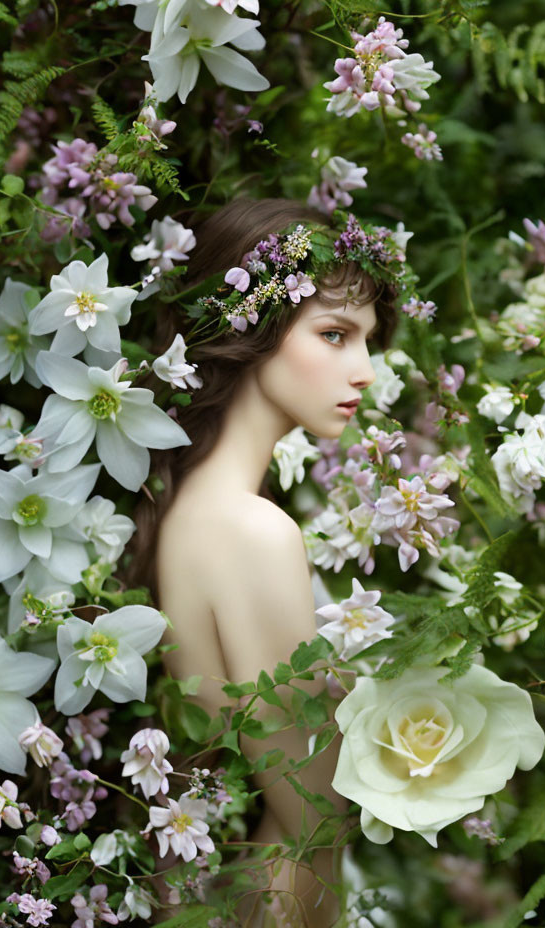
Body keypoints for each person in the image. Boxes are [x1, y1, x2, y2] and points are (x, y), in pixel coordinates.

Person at [125, 197, 399, 925]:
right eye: (335, 334)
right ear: (258, 329)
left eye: (368, 340)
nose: (365, 371)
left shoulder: (189, 507)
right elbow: (322, 808)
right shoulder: (252, 530)